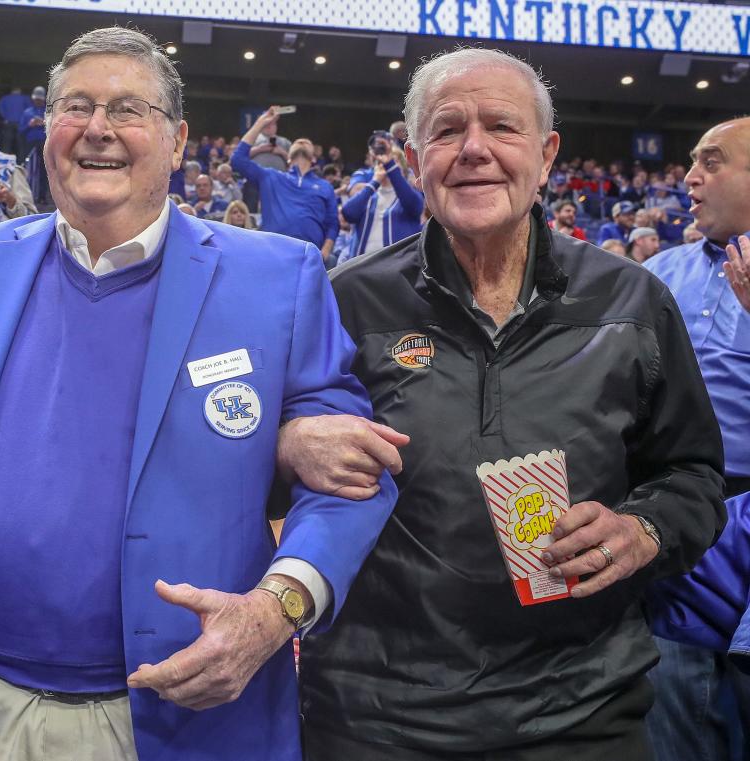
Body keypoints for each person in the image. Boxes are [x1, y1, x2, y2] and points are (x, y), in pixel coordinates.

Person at [0, 27, 397, 761]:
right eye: (76, 106)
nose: (98, 128)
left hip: (184, 712)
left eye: (128, 109)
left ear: (177, 139)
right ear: (47, 132)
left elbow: (352, 475)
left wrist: (274, 607)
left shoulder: (279, 279)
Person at [275, 47, 726, 760]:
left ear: (546, 155)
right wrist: (287, 442)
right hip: (377, 721)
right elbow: (261, 470)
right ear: (414, 155)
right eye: (448, 130)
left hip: (584, 715)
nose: (475, 149)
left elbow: (696, 477)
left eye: (502, 128)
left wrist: (643, 529)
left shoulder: (634, 301)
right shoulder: (344, 300)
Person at [642, 116, 750, 761]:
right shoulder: (656, 273)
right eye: (691, 162)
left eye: (712, 162)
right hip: (675, 506)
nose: (689, 178)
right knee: (673, 704)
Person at [232, 109, 338, 262]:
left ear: (314, 159)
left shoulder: (324, 186)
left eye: (307, 142)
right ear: (288, 158)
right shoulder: (271, 176)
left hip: (309, 259)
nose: (302, 141)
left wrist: (325, 252)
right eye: (297, 142)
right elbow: (238, 160)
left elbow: (333, 224)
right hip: (273, 255)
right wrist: (260, 123)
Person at [338, 130, 424, 264]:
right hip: (361, 269)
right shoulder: (368, 196)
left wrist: (390, 165)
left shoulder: (409, 195)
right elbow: (348, 213)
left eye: (393, 161)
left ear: (401, 168)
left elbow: (415, 206)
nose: (386, 163)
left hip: (397, 270)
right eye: (381, 162)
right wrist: (374, 181)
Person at [19, 86, 49, 204]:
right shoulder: (27, 112)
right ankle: (28, 196)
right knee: (28, 169)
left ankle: (42, 196)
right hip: (30, 144)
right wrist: (29, 125)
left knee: (44, 170)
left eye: (40, 99)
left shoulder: (48, 112)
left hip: (44, 143)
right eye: (36, 99)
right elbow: (21, 130)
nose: (38, 101)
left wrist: (44, 123)